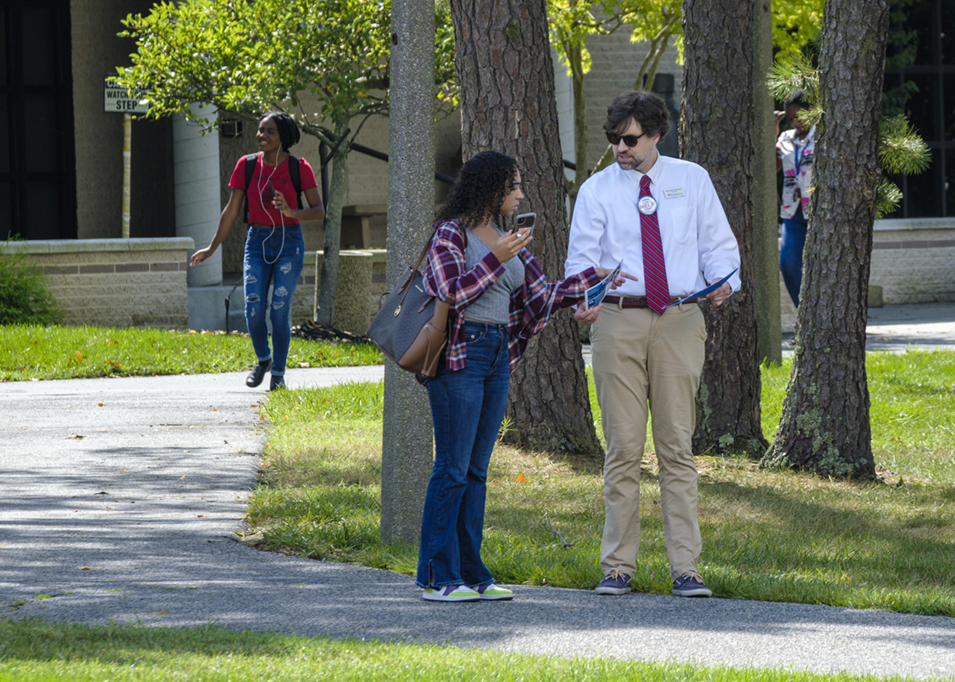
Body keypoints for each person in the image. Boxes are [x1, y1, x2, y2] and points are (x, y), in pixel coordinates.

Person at [417, 150, 632, 603]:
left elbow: (541, 295)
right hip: (460, 355)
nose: (519, 194)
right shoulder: (450, 234)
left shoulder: (505, 236)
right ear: (491, 188)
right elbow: (451, 292)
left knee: (476, 471)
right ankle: (438, 578)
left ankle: (473, 574)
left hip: (496, 354)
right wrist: (494, 259)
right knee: (452, 469)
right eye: (512, 187)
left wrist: (594, 282)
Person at [565, 91, 741, 599]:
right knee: (622, 448)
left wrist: (725, 281)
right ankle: (617, 567)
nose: (620, 147)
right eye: (614, 139)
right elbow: (581, 258)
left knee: (676, 449)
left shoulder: (692, 179)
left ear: (656, 135)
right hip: (618, 319)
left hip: (681, 317)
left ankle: (686, 567)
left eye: (630, 139)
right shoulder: (596, 191)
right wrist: (584, 296)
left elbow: (719, 247)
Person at [191, 112, 325, 390]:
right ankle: (263, 359)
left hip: (289, 242)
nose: (261, 136)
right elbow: (232, 210)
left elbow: (319, 211)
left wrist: (291, 211)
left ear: (283, 137)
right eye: (260, 131)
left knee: (278, 309)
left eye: (270, 132)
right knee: (253, 307)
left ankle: (278, 374)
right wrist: (211, 247)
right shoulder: (247, 165)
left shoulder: (299, 168)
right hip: (257, 241)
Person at [775, 91, 815, 308]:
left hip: (818, 211)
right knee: (788, 264)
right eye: (790, 119)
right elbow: (773, 168)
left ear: (811, 112)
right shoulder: (785, 138)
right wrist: (774, 131)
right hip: (792, 211)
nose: (795, 123)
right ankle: (805, 315)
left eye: (798, 117)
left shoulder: (824, 136)